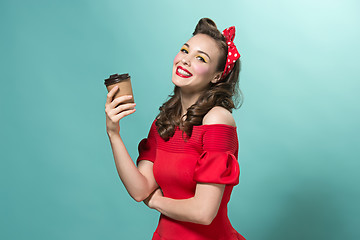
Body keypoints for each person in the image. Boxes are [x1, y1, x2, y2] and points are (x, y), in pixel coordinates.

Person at [105, 18, 246, 240]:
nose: (185, 61)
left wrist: (156, 202)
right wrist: (114, 133)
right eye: (184, 50)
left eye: (200, 58)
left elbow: (203, 212)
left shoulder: (218, 119)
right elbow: (139, 189)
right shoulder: (164, 122)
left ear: (217, 76)